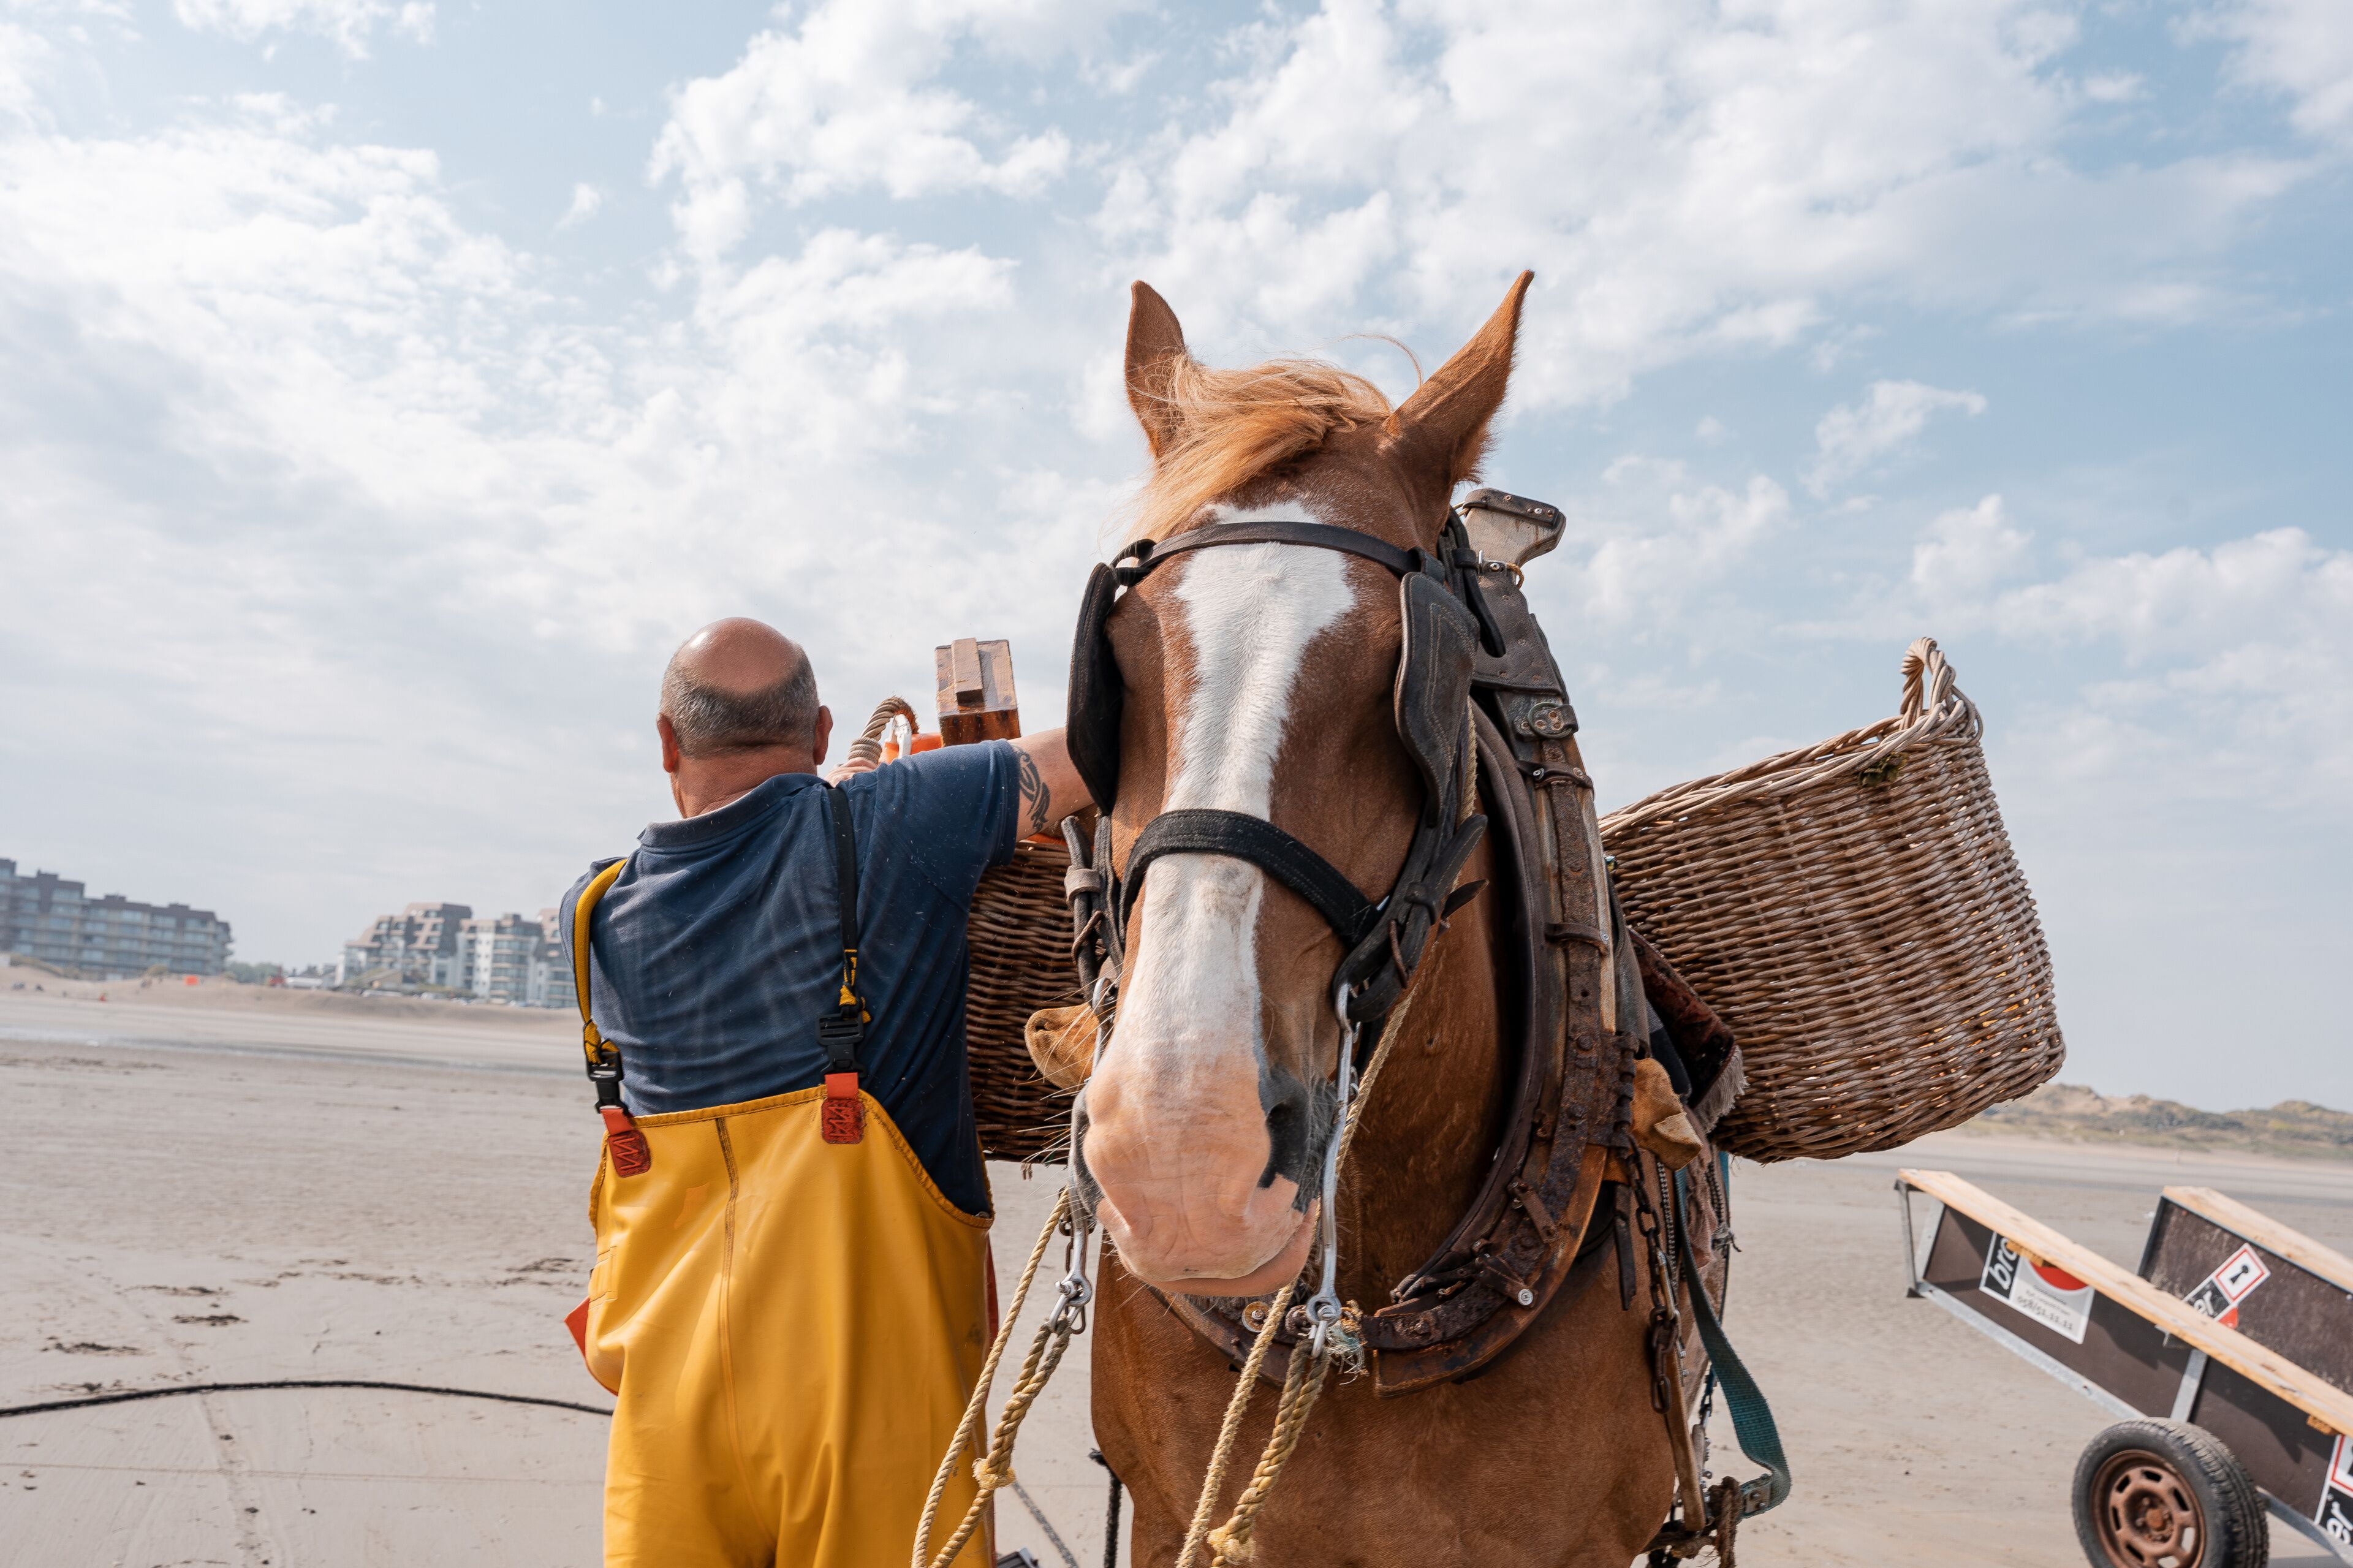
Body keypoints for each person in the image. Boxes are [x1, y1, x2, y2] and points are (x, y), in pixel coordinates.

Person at [559, 616, 1089, 1568]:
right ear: (818, 734)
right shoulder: (898, 818)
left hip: (668, 1420)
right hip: (870, 1411)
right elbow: (1106, 740)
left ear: (668, 743)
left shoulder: (592, 912)